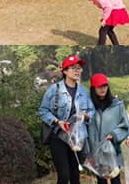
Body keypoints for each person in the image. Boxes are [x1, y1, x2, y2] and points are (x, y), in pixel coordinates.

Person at [39, 55, 95, 184]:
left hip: (77, 140)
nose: (77, 71)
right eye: (73, 68)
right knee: (64, 176)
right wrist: (58, 122)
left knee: (75, 176)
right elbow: (43, 111)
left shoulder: (83, 91)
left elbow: (91, 111)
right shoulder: (54, 90)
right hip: (59, 138)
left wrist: (86, 116)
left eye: (79, 68)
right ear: (64, 71)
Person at [88, 73, 129, 184]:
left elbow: (125, 126)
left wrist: (114, 135)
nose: (103, 89)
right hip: (96, 150)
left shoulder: (117, 105)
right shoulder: (88, 106)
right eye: (99, 86)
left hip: (113, 149)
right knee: (101, 180)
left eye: (105, 86)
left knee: (115, 179)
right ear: (93, 88)